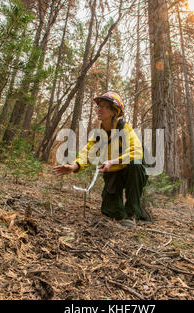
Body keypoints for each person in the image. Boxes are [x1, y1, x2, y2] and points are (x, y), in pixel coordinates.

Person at [53, 92, 151, 227]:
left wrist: (112, 161)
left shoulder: (124, 128)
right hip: (113, 173)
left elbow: (137, 151)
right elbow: (87, 153)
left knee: (135, 164)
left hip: (130, 171)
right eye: (99, 106)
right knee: (110, 212)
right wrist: (74, 166)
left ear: (114, 111)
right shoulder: (98, 134)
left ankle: (131, 214)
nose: (99, 109)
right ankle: (125, 210)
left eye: (104, 106)